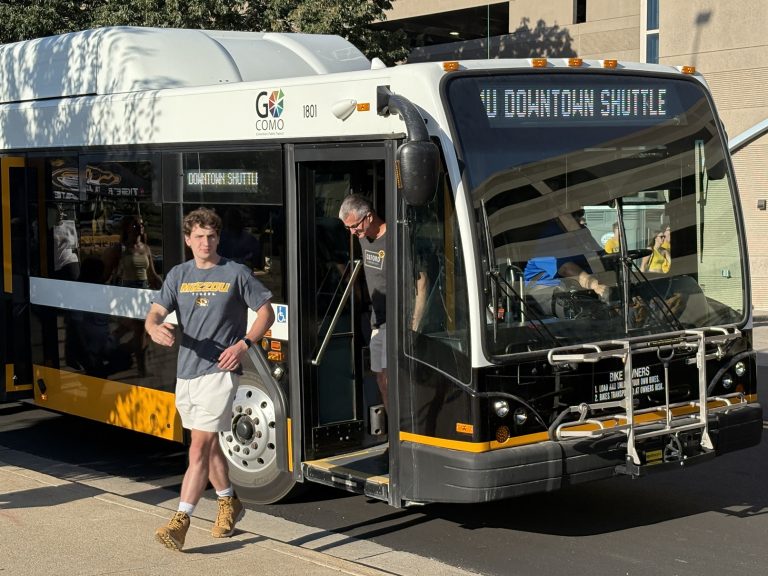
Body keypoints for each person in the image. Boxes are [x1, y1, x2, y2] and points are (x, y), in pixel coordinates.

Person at [145, 207, 275, 551]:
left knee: (199, 446)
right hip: (186, 373)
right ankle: (229, 502)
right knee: (209, 443)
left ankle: (180, 520)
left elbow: (266, 312)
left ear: (218, 238)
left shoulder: (236, 273)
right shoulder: (178, 274)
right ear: (188, 240)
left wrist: (244, 345)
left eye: (212, 236)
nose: (206, 242)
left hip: (220, 373)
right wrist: (154, 328)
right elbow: (155, 313)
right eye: (199, 236)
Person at [338, 195, 389, 412]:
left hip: (395, 321)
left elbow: (421, 280)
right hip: (377, 320)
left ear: (369, 217)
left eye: (354, 226)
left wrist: (414, 321)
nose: (352, 232)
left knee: (390, 379)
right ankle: (393, 426)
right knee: (381, 380)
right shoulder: (363, 237)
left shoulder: (393, 239)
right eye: (348, 228)